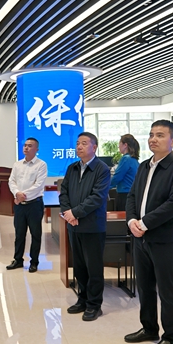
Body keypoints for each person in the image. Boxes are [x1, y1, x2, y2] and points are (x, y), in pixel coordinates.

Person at [125, 119, 173, 344]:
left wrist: (144, 223)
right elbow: (132, 196)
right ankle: (149, 328)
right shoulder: (144, 166)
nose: (153, 139)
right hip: (140, 237)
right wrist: (132, 221)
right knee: (144, 287)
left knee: (166, 289)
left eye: (160, 135)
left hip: (164, 238)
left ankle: (171, 337)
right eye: (151, 134)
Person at [59, 132, 111, 321]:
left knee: (93, 268)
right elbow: (64, 192)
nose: (79, 147)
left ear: (94, 147)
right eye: (77, 143)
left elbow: (97, 197)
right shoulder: (72, 168)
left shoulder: (102, 169)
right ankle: (82, 299)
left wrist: (75, 213)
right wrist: (68, 213)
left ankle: (94, 305)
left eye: (84, 143)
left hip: (92, 226)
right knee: (79, 266)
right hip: (74, 226)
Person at [7, 138, 48, 273]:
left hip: (34, 205)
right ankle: (18, 260)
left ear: (36, 149)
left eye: (30, 146)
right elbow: (11, 181)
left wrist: (21, 195)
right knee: (19, 234)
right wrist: (17, 193)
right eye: (25, 145)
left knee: (35, 234)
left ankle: (34, 262)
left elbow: (38, 185)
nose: (26, 148)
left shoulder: (41, 165)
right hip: (20, 205)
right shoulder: (17, 164)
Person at [110, 134, 140, 212]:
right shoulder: (134, 159)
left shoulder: (126, 159)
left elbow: (117, 178)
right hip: (133, 195)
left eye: (120, 144)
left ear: (125, 145)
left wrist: (103, 188)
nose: (118, 146)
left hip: (124, 195)